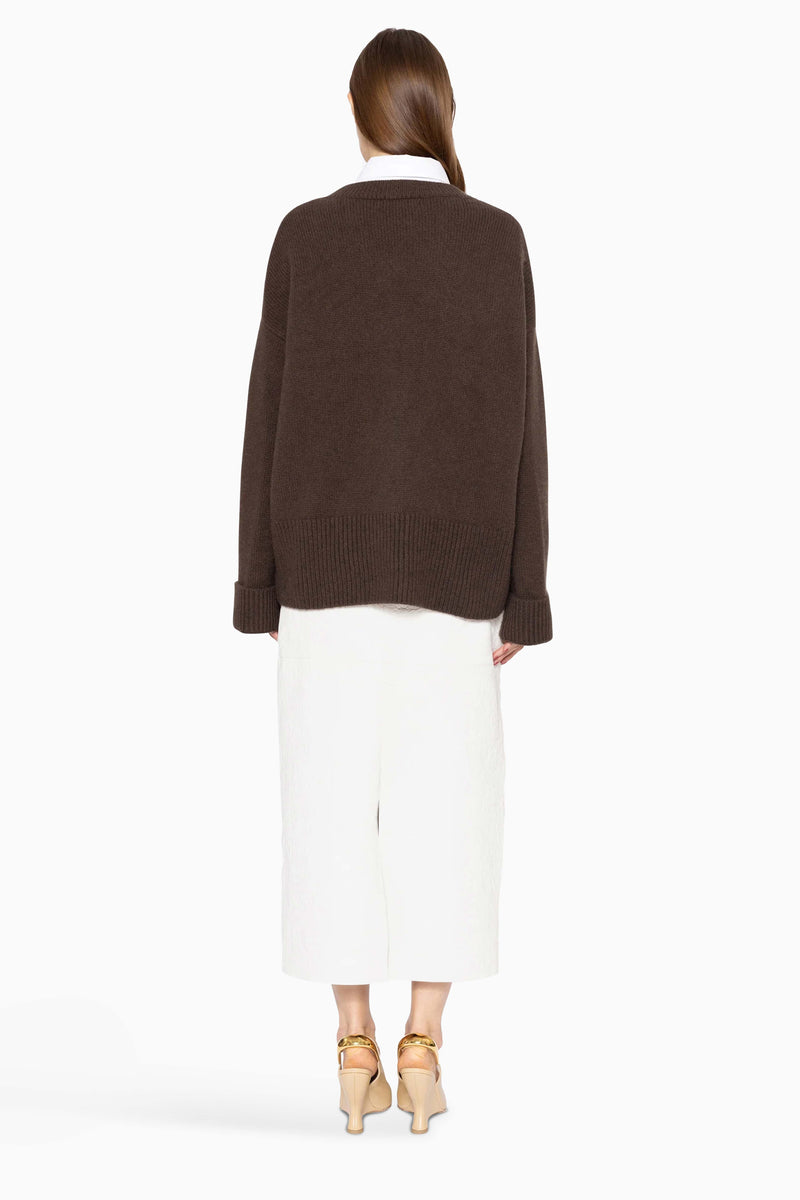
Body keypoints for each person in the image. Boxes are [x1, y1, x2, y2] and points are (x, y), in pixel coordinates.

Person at [232, 27, 552, 1134]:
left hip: (321, 585)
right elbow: (525, 425)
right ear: (441, 116)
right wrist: (523, 590)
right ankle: (422, 1048)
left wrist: (260, 583)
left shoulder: (305, 236)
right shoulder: (496, 239)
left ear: (358, 117)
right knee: (449, 816)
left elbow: (266, 412)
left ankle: (352, 1046)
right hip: (460, 591)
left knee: (328, 813)